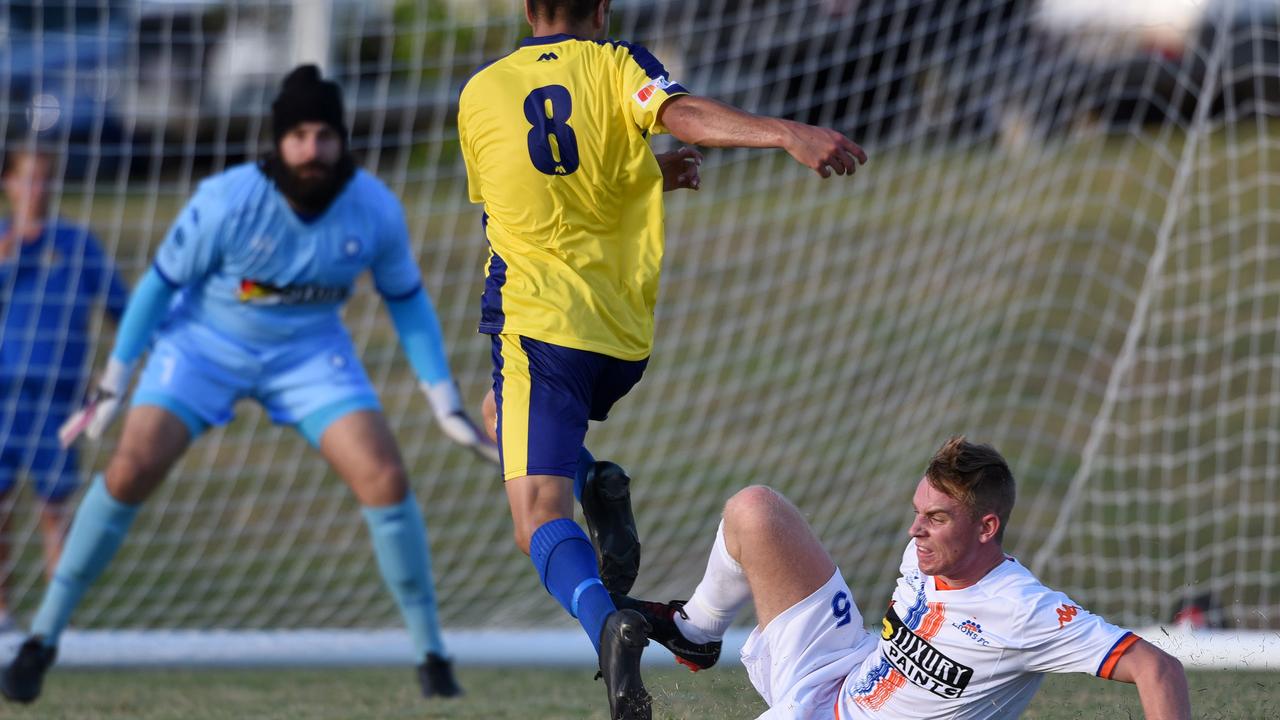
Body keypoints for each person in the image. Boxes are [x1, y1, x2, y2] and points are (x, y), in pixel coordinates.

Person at [0, 65, 498, 705]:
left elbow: (406, 300)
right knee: (127, 469)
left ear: (342, 140)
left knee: (385, 479)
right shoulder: (228, 200)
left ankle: (432, 655)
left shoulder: (373, 207)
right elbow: (155, 287)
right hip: (203, 348)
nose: (311, 150)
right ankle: (42, 639)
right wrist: (115, 381)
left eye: (323, 135)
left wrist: (443, 403)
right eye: (297, 136)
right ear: (277, 142)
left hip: (309, 353)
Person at [458, 1, 867, 717]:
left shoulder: (481, 90)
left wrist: (773, 138)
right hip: (617, 337)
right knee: (499, 417)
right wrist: (779, 133)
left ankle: (605, 624)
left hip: (536, 325)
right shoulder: (621, 63)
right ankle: (602, 486)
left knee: (536, 515)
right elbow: (676, 116)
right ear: (604, 7)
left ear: (525, 8)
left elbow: (531, 191)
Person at [614, 436, 1192, 719]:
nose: (916, 530)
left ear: (987, 527)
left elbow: (1157, 667)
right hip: (840, 670)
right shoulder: (926, 551)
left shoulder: (1024, 611)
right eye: (917, 511)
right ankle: (698, 629)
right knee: (756, 510)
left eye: (936, 519)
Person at [0, 145, 129, 634]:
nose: (38, 190)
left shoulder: (77, 244)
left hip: (61, 398)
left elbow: (122, 306)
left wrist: (117, 370)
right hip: (5, 394)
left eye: (46, 179)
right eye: (28, 179)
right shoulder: (3, 244)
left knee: (56, 508)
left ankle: (56, 620)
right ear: (9, 184)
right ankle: (2, 613)